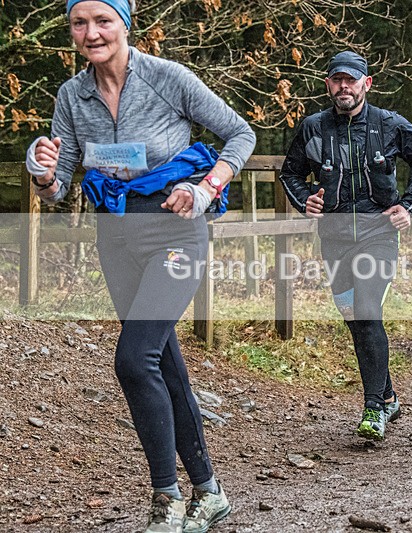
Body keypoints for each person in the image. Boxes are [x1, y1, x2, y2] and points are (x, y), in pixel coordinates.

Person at [26, 1, 255, 531]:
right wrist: (41, 172)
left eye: (102, 20)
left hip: (175, 234)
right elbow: (59, 185)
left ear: (125, 24)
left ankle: (166, 499)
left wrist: (205, 188)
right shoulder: (71, 96)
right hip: (116, 237)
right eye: (79, 23)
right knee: (161, 361)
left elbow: (241, 134)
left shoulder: (167, 77)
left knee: (133, 360)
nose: (91, 32)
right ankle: (209, 491)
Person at [280, 51, 412, 442]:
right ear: (328, 84)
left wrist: (408, 206)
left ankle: (373, 409)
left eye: (351, 80)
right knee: (356, 321)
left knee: (366, 311)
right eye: (337, 80)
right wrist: (305, 199)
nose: (343, 87)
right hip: (333, 240)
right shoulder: (314, 128)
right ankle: (389, 394)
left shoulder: (388, 125)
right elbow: (290, 173)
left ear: (366, 83)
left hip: (378, 233)